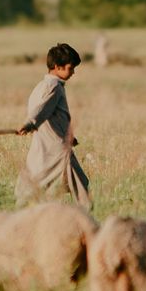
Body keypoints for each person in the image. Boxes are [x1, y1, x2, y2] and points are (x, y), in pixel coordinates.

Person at [15, 42, 92, 210]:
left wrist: (69, 135)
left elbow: (51, 115)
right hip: (58, 152)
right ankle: (85, 221)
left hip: (43, 148)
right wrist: (30, 122)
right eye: (70, 68)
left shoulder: (40, 86)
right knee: (82, 191)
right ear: (57, 67)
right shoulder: (54, 87)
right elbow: (41, 109)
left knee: (33, 188)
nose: (73, 72)